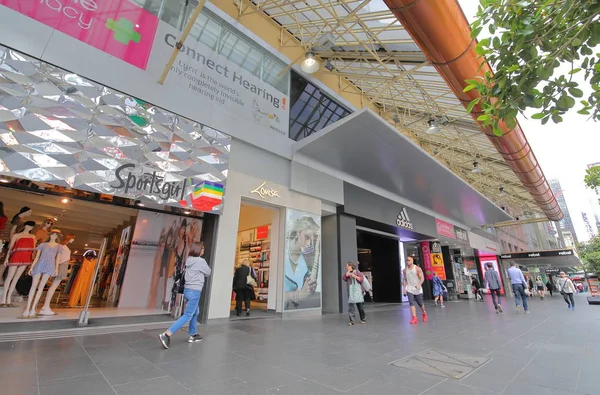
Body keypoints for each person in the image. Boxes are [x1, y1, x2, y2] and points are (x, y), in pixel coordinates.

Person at [159, 242, 211, 349]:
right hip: (195, 291)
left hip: (187, 290)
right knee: (188, 315)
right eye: (202, 248)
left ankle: (193, 334)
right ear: (198, 250)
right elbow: (208, 273)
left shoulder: (189, 260)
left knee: (195, 312)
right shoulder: (201, 261)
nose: (203, 250)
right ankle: (167, 334)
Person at [403, 257, 427, 324]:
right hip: (410, 288)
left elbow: (422, 278)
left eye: (409, 260)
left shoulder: (417, 269)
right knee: (411, 302)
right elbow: (405, 279)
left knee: (420, 303)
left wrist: (419, 284)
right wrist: (404, 289)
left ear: (412, 261)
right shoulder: (405, 270)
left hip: (417, 288)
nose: (407, 261)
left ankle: (424, 313)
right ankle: (414, 317)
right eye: (406, 260)